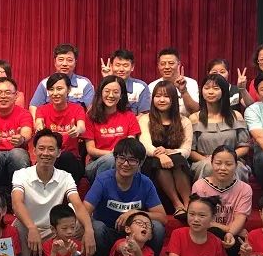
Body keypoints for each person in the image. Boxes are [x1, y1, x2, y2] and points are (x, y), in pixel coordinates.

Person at [12, 129, 94, 256]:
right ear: (34, 151)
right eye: (41, 148)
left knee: (82, 224)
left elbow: (77, 204)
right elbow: (17, 203)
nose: (46, 153)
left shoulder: (65, 177)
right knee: (18, 226)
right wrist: (32, 228)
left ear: (58, 152)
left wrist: (89, 230)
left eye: (51, 149)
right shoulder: (21, 174)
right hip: (29, 227)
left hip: (53, 230)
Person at [83, 138, 168, 256]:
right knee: (96, 227)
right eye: (121, 158)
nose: (125, 164)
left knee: (157, 228)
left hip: (135, 235)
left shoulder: (145, 183)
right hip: (108, 233)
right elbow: (85, 210)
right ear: (115, 159)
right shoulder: (103, 180)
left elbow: (162, 217)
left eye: (132, 160)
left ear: (140, 163)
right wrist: (87, 230)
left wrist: (135, 213)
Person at [191, 146, 253, 256]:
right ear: (211, 163)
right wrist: (228, 228)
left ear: (236, 165)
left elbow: (240, 218)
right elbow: (200, 220)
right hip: (206, 233)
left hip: (231, 235)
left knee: (237, 240)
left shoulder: (245, 189)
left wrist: (230, 233)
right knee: (215, 232)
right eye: (218, 163)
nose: (223, 168)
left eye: (229, 164)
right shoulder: (199, 186)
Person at [139, 80, 193, 218]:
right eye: (158, 96)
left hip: (177, 162)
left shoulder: (184, 121)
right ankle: (177, 204)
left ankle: (188, 204)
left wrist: (170, 152)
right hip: (152, 162)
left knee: (178, 159)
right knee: (158, 163)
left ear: (173, 99)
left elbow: (186, 150)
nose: (161, 100)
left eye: (166, 96)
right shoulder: (145, 119)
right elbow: (145, 144)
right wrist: (160, 155)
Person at [189, 74, 250, 180]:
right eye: (207, 88)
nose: (210, 92)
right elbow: (190, 150)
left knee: (233, 168)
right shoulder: (194, 118)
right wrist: (211, 160)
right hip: (204, 161)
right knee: (209, 167)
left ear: (224, 91)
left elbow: (244, 147)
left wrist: (227, 158)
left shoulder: (236, 116)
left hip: (232, 160)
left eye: (215, 88)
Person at [83, 74, 142, 180]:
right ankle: (101, 189)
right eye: (107, 91)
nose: (111, 95)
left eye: (115, 92)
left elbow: (131, 145)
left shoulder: (129, 116)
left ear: (121, 95)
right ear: (101, 93)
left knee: (134, 163)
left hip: (123, 161)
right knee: (111, 159)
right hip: (96, 163)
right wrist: (113, 154)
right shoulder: (90, 116)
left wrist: (119, 157)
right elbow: (90, 149)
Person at [33, 73, 87, 182]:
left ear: (68, 90)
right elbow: (38, 123)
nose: (55, 93)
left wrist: (77, 130)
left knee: (65, 156)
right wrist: (40, 129)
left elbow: (82, 126)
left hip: (71, 160)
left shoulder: (77, 109)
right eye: (51, 89)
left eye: (59, 89)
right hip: (49, 157)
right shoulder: (42, 109)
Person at [29, 44, 95, 116]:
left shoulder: (84, 83)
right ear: (55, 62)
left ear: (75, 63)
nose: (64, 64)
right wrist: (37, 122)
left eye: (69, 60)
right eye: (61, 60)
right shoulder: (45, 83)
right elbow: (34, 107)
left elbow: (92, 110)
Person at [147, 48, 199, 116]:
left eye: (171, 63)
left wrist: (183, 91)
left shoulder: (191, 83)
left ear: (178, 64)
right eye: (163, 64)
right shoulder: (152, 86)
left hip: (185, 120)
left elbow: (195, 111)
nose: (167, 67)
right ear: (158, 65)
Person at [99, 49, 151, 114]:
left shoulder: (140, 87)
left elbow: (144, 115)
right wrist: (107, 80)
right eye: (117, 65)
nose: (121, 69)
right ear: (111, 66)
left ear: (132, 67)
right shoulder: (103, 85)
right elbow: (96, 110)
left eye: (125, 65)